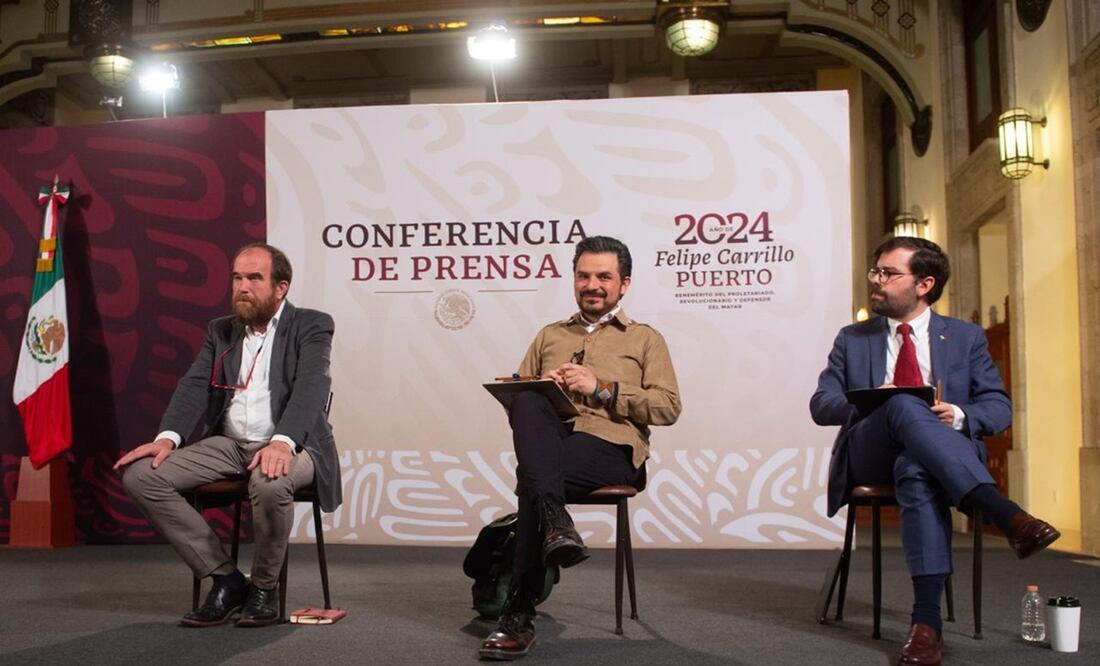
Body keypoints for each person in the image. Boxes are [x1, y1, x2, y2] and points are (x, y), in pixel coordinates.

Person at [810, 237, 1059, 666]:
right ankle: (1002, 511)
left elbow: (998, 407)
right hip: (870, 452)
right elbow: (821, 404)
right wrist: (871, 401)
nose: (876, 280)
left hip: (934, 459)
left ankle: (926, 625)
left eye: (889, 273)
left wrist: (959, 414)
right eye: (875, 271)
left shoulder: (965, 337)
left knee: (916, 469)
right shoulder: (852, 338)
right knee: (902, 404)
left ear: (924, 284)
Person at [115, 242, 341, 628]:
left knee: (270, 480)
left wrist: (282, 442)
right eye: (237, 278)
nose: (242, 287)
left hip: (296, 445)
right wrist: (167, 438)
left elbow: (311, 387)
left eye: (254, 278)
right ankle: (226, 578)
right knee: (142, 476)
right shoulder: (221, 330)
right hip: (230, 444)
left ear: (281, 287)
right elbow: (194, 385)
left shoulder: (311, 325)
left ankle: (264, 589)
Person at [479, 235, 682, 660]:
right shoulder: (549, 335)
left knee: (534, 480)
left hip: (612, 448)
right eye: (583, 276)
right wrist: (543, 388)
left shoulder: (645, 339)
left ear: (624, 284)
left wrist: (602, 388)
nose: (592, 285)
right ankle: (557, 525)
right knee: (529, 401)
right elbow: (519, 410)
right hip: (556, 444)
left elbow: (667, 407)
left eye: (604, 277)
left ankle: (519, 612)